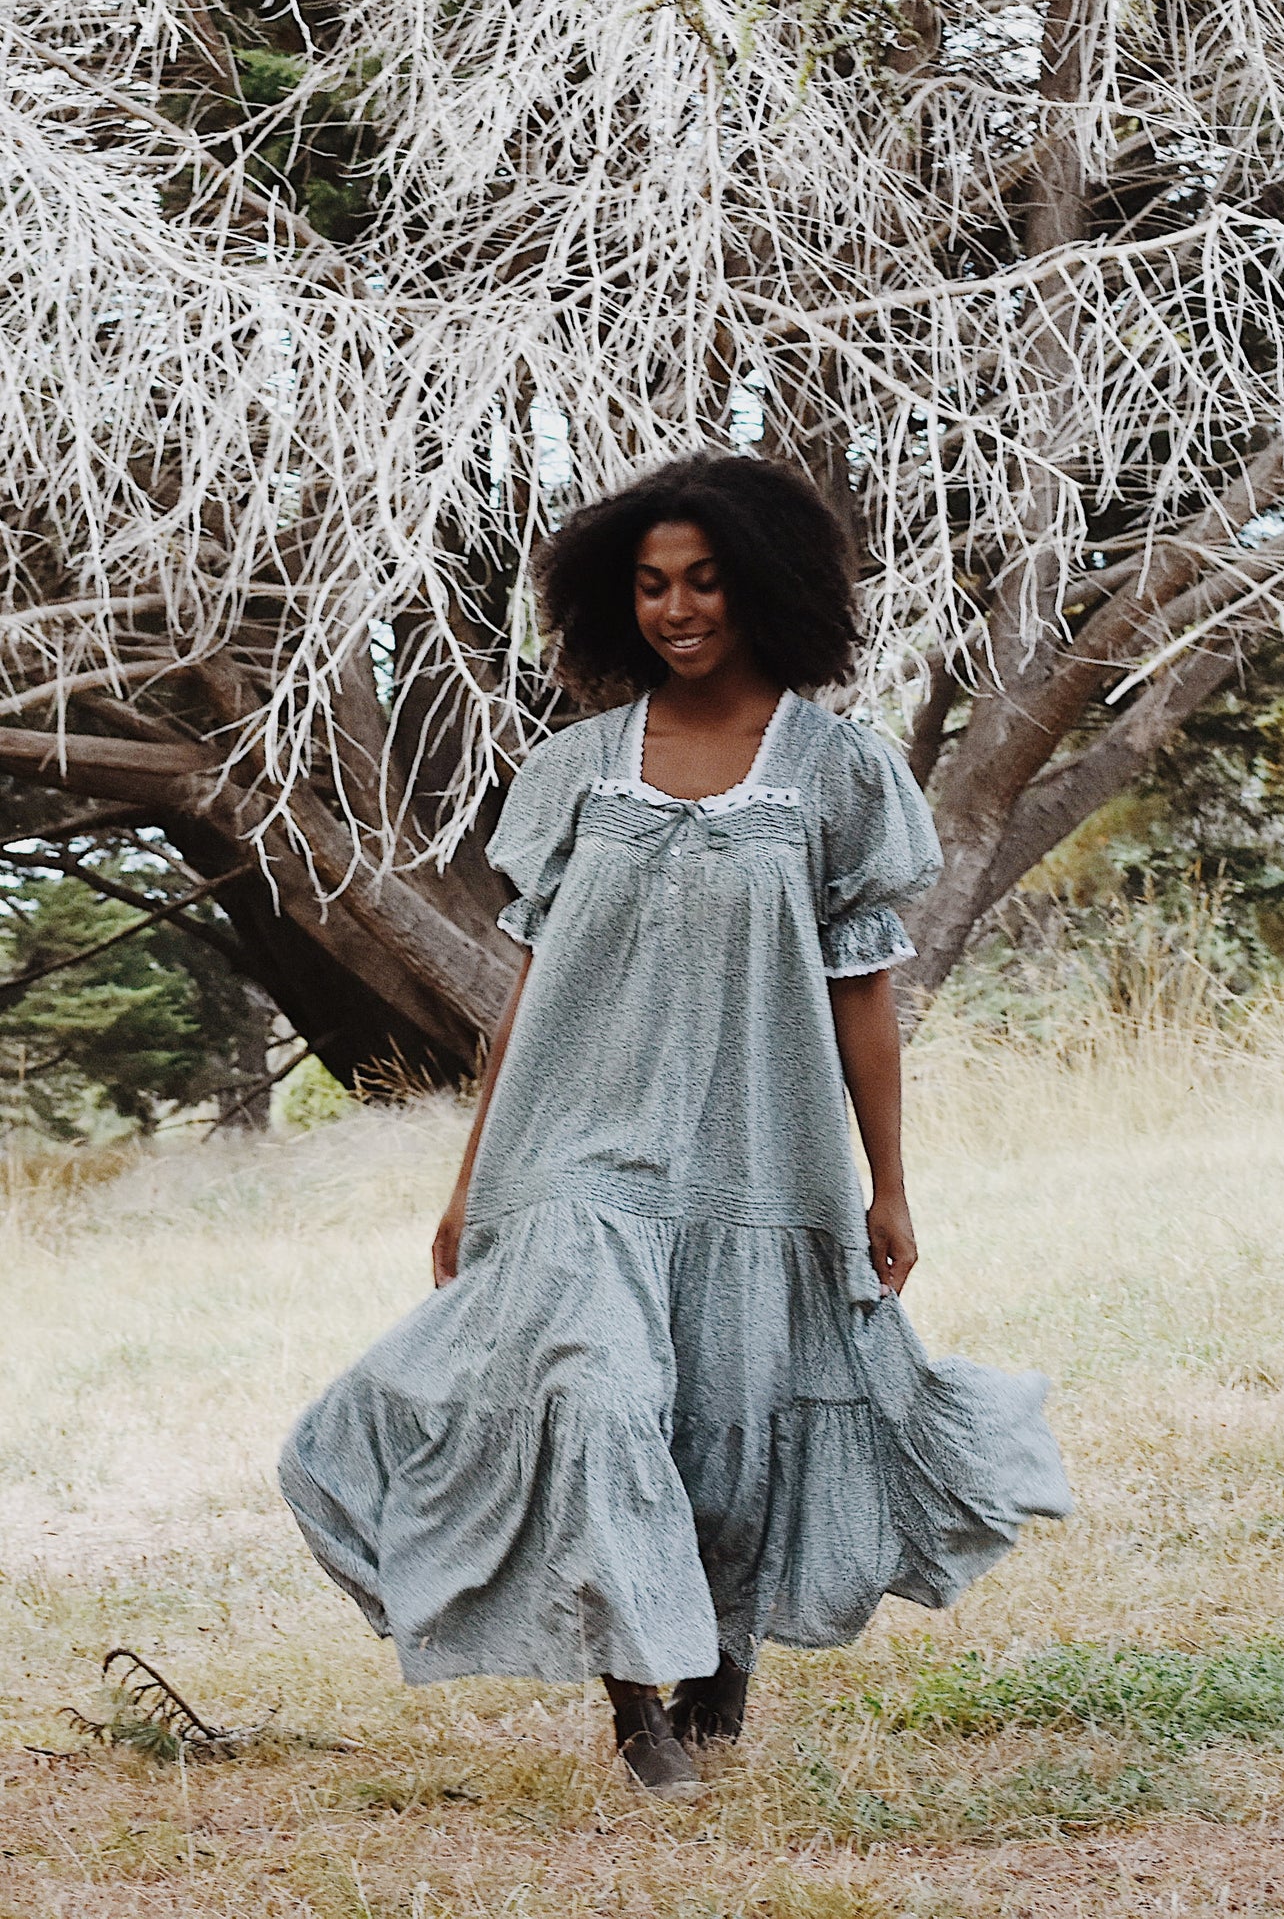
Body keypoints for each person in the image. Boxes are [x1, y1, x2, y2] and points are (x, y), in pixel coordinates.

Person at [279, 452, 1071, 1798]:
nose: (676, 608)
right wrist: (474, 1179)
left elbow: (862, 1003)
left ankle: (721, 1658)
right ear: (611, 600)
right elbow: (528, 992)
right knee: (594, 1396)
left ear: (760, 583)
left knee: (731, 1423)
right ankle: (636, 1711)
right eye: (648, 585)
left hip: (765, 1154)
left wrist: (888, 1186)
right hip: (575, 1154)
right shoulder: (574, 770)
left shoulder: (834, 772)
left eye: (703, 579)